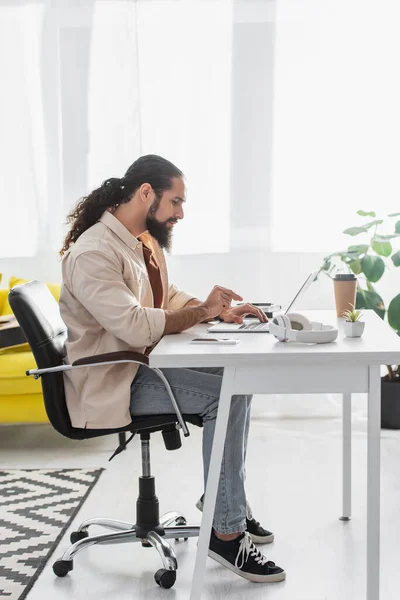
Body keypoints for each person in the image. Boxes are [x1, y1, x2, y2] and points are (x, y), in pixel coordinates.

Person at [59, 154, 285, 583]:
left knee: (237, 377)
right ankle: (226, 532)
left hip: (138, 368)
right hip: (111, 381)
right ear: (146, 193)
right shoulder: (93, 252)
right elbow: (133, 323)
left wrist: (216, 311)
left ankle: (222, 502)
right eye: (176, 202)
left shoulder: (141, 240)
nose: (181, 213)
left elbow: (166, 297)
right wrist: (200, 312)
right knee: (226, 393)